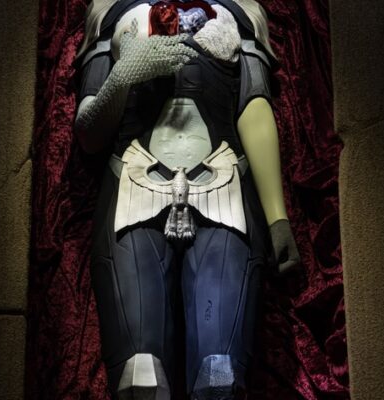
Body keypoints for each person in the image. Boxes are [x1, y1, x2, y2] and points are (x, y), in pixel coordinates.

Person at [73, 0, 300, 398]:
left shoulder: (239, 13)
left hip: (224, 184)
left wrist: (277, 218)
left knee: (219, 376)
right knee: (139, 376)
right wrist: (120, 77)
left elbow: (253, 108)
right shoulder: (112, 13)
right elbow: (89, 134)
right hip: (133, 185)